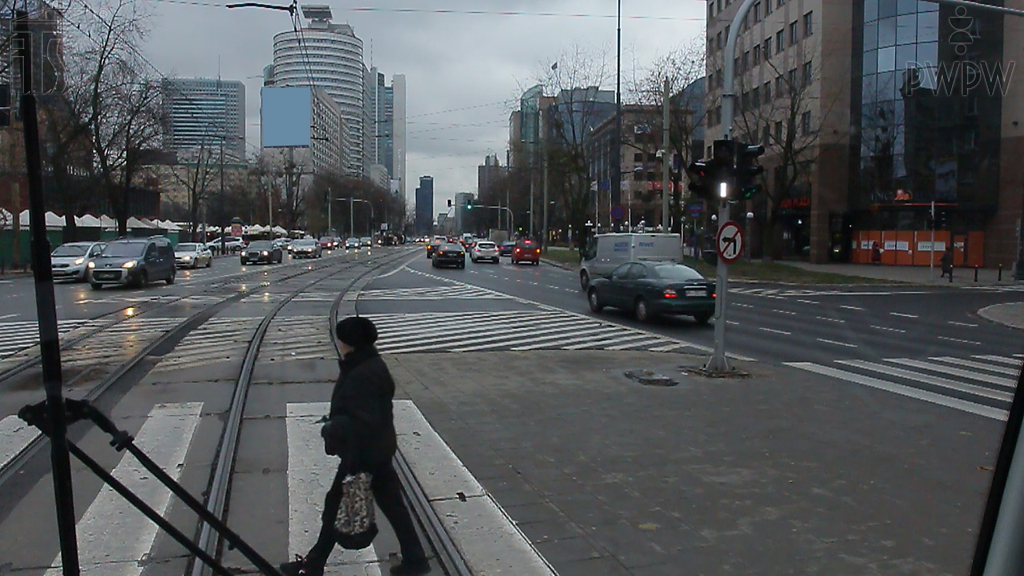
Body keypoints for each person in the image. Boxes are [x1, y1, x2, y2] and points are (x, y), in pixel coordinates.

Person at [281, 316, 430, 576]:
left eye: (341, 338)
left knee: (335, 507)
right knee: (393, 508)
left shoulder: (364, 373)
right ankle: (415, 560)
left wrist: (332, 427)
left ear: (349, 342)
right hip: (376, 451)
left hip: (363, 455)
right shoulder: (368, 364)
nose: (338, 343)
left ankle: (313, 565)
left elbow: (362, 421)